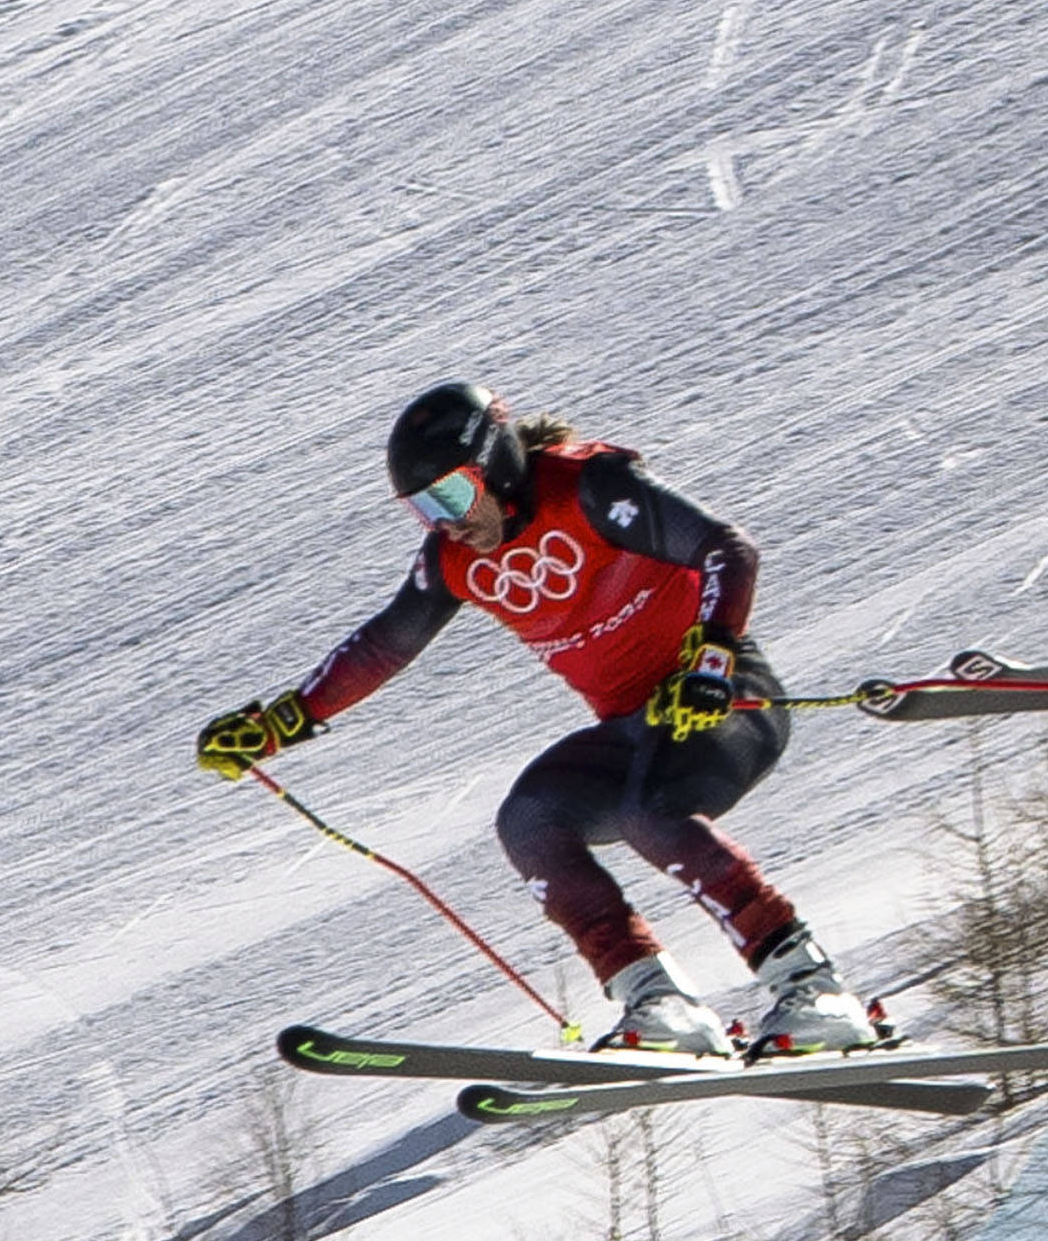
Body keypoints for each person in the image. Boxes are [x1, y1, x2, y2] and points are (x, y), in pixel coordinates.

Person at [193, 379, 872, 1060]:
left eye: (453, 495)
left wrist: (713, 659)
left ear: (495, 465)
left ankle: (816, 987)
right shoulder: (455, 561)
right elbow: (384, 644)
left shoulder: (587, 488)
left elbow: (727, 548)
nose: (446, 521)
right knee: (531, 820)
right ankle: (658, 1001)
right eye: (423, 508)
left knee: (651, 813)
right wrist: (284, 719)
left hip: (724, 703)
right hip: (634, 733)